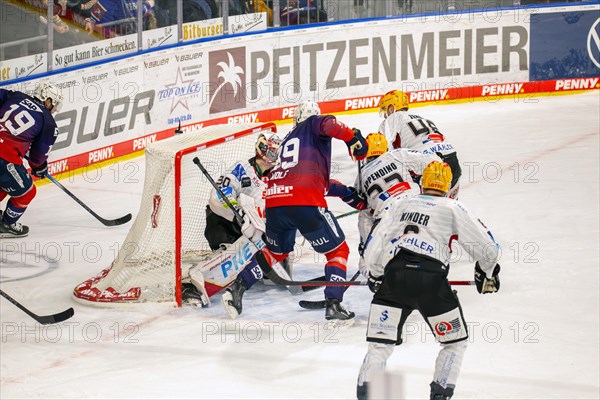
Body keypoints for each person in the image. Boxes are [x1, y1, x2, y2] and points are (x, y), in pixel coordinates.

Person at [356, 161, 501, 400]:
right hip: (431, 282)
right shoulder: (452, 207)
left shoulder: (401, 203)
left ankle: (367, 396)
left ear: (422, 183)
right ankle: (440, 395)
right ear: (447, 186)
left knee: (380, 346)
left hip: (395, 277)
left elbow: (376, 241)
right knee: (454, 343)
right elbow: (487, 250)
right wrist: (487, 273)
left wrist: (375, 273)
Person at [253, 99, 368, 322]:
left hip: (276, 204)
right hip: (304, 203)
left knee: (276, 252)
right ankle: (334, 302)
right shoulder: (314, 124)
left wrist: (346, 193)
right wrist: (351, 138)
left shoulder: (287, 139)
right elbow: (329, 124)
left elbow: (315, 181)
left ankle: (237, 288)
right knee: (338, 251)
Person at [183, 132, 283, 318]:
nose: (274, 157)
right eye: (270, 152)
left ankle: (262, 267)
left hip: (248, 230)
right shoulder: (242, 169)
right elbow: (219, 195)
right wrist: (239, 211)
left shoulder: (278, 175)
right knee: (235, 258)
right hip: (223, 224)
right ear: (261, 150)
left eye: (276, 152)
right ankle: (192, 284)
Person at [352, 133, 442, 276]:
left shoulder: (361, 176)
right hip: (417, 206)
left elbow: (364, 211)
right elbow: (434, 161)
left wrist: (365, 247)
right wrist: (419, 179)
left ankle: (378, 277)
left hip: (386, 218)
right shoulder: (396, 155)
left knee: (370, 257)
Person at [0, 83, 63, 238]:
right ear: (47, 101)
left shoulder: (15, 96)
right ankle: (7, 224)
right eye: (54, 105)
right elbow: (37, 157)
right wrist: (40, 167)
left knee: (5, 185)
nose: (54, 109)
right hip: (4, 159)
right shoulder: (48, 123)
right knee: (27, 192)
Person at [377, 90, 462, 199]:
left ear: (392, 108)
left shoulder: (392, 118)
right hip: (453, 161)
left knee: (424, 208)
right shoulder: (423, 118)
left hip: (429, 165)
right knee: (448, 208)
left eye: (385, 110)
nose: (385, 115)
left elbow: (383, 149)